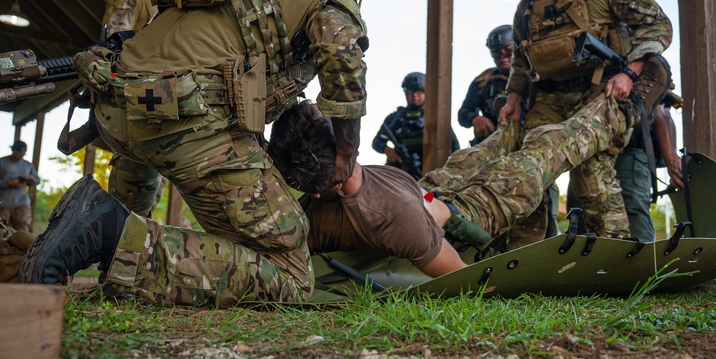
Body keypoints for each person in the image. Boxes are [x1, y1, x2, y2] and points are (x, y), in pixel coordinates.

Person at [21, 0, 378, 306]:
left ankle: (109, 227)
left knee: (234, 240)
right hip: (183, 122)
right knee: (290, 274)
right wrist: (347, 151)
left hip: (118, 108)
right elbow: (342, 64)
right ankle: (113, 236)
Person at [268, 92, 630, 278]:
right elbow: (460, 276)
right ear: (339, 162)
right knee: (536, 158)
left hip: (426, 189)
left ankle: (514, 125)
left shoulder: (308, 201)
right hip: (463, 210)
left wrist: (428, 198)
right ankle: (616, 113)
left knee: (486, 149)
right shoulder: (393, 216)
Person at [497, 0, 673, 240]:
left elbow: (657, 25)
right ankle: (522, 262)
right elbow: (522, 53)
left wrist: (631, 73)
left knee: (591, 171)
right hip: (549, 97)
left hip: (602, 90)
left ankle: (616, 257)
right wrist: (514, 98)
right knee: (526, 170)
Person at [568, 91, 685, 242]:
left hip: (628, 154)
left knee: (633, 223)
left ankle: (640, 265)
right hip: (587, 154)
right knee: (581, 222)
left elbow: (660, 110)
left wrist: (672, 162)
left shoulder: (638, 69)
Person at [371, 72, 460, 179]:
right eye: (410, 92)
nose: (415, 95)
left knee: (430, 196)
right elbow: (377, 142)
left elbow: (455, 147)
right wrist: (387, 150)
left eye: (420, 92)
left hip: (432, 172)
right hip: (400, 174)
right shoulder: (394, 119)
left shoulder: (436, 119)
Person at [458, 25, 512, 146]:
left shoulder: (533, 77)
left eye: (507, 51)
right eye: (496, 53)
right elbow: (463, 113)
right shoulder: (483, 81)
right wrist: (475, 119)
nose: (502, 57)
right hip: (492, 144)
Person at [0, 140, 40, 232]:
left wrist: (32, 179)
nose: (20, 156)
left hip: (22, 203)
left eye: (23, 154)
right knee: (0, 230)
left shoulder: (28, 165)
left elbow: (38, 180)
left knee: (22, 230)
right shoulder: (0, 162)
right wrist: (8, 183)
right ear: (13, 150)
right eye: (18, 153)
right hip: (2, 203)